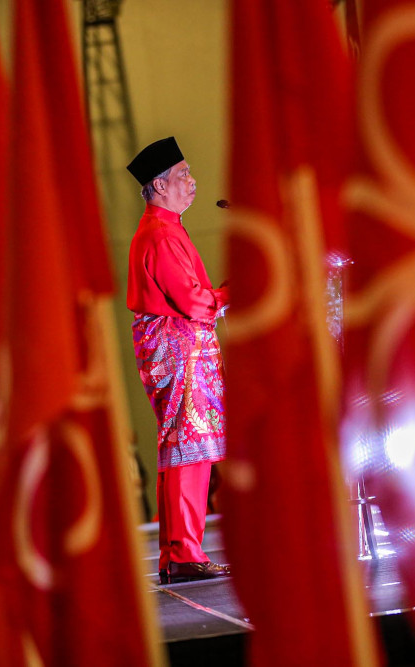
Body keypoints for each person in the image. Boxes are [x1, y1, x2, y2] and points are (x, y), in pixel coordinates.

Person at [125, 137, 231, 584]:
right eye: (183, 174)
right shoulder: (161, 235)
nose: (192, 182)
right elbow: (191, 301)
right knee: (190, 447)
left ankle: (179, 554)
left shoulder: (165, 230)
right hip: (178, 349)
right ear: (159, 185)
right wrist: (229, 294)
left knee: (184, 447)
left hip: (180, 348)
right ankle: (184, 553)